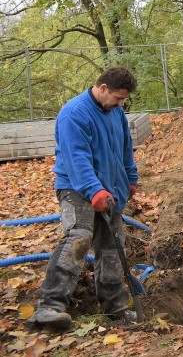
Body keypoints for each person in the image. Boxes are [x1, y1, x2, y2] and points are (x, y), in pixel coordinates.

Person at [27, 66, 140, 331]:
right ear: (102, 89)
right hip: (76, 187)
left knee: (113, 244)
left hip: (109, 189)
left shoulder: (116, 113)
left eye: (124, 100)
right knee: (79, 235)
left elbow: (125, 149)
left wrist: (130, 178)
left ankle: (116, 309)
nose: (121, 104)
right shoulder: (74, 114)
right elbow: (77, 158)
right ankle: (49, 308)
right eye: (118, 98)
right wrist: (94, 190)